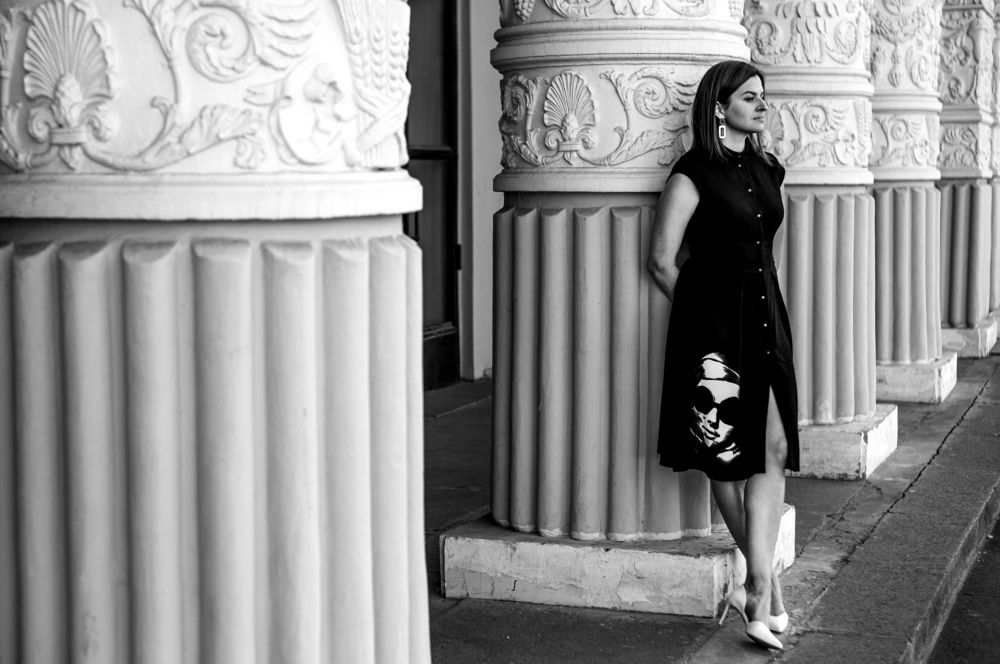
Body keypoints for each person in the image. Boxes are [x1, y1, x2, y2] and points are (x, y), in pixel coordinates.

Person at [647, 60, 799, 651]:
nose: (762, 105)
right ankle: (765, 589)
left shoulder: (769, 168)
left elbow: (768, 251)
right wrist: (704, 320)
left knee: (774, 447)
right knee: (727, 456)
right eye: (749, 97)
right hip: (713, 331)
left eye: (763, 96)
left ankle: (756, 587)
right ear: (719, 106)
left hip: (766, 320)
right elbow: (662, 261)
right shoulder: (693, 174)